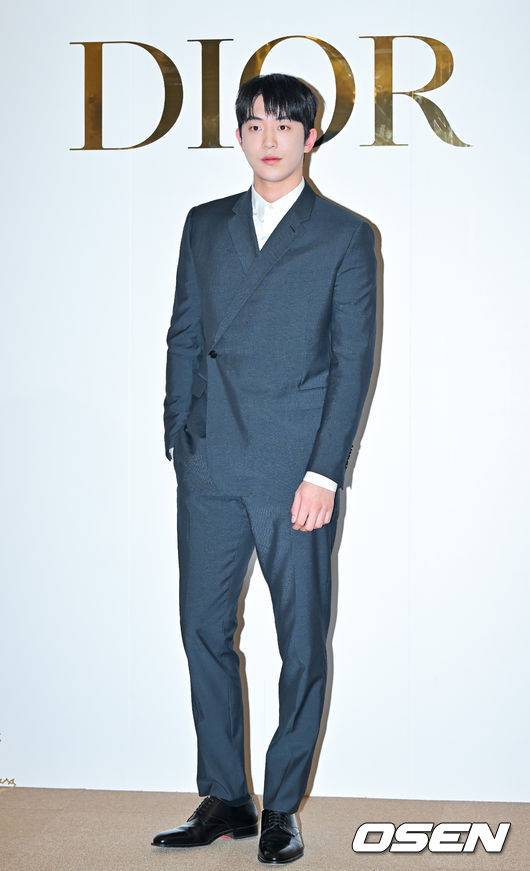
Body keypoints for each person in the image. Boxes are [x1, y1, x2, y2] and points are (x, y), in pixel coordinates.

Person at [152, 72, 378, 864]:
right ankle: (226, 796)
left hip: (294, 471)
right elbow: (184, 332)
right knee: (202, 628)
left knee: (301, 640)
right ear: (240, 135)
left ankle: (282, 804)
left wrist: (324, 471)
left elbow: (352, 363)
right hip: (211, 460)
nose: (269, 140)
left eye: (284, 126)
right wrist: (179, 431)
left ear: (311, 137)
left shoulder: (345, 235)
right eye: (254, 125)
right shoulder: (205, 223)